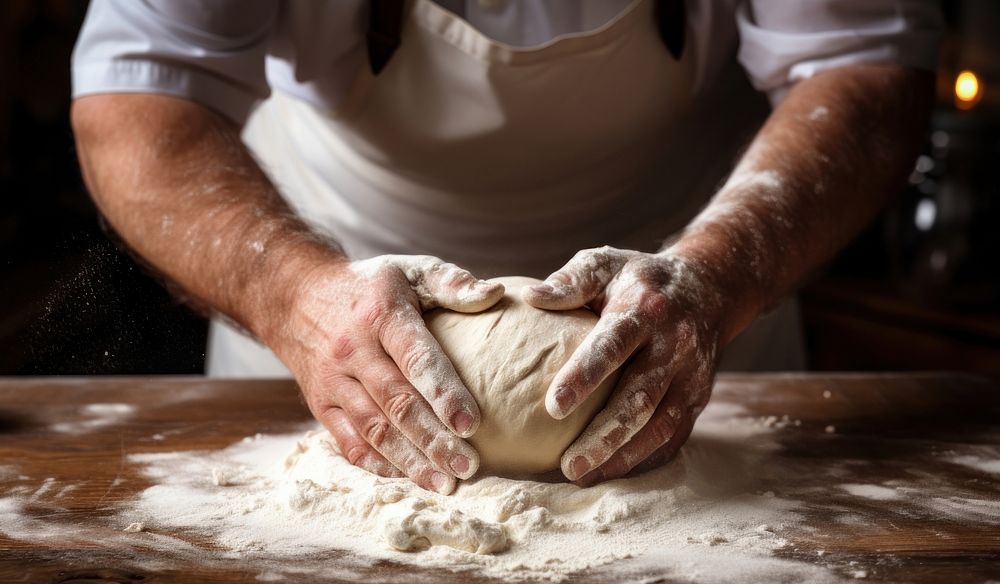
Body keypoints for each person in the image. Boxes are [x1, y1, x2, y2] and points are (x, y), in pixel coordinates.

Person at [70, 0, 941, 493]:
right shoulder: (313, 313)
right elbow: (135, 98)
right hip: (331, 326)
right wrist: (295, 297)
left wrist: (715, 277)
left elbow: (864, 64)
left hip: (692, 330)